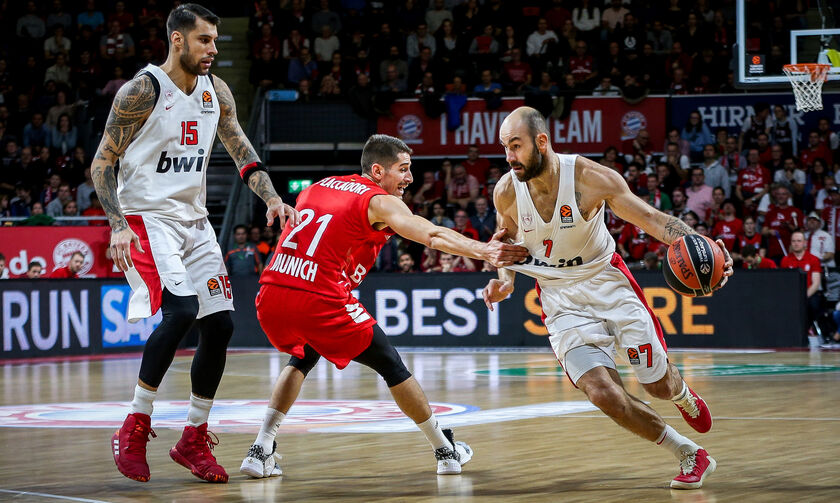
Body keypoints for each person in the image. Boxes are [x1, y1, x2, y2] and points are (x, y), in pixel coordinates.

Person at [91, 4, 299, 484]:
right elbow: (103, 163)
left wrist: (271, 198)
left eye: (216, 41)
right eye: (204, 40)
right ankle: (135, 423)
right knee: (181, 312)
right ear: (178, 40)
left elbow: (241, 148)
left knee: (221, 324)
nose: (213, 50)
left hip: (194, 219)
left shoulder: (216, 90)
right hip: (148, 218)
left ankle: (193, 436)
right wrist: (117, 223)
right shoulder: (141, 91)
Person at [240, 134, 528, 479]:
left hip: (271, 292)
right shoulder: (378, 201)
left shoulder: (316, 187)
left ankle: (260, 449)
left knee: (303, 356)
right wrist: (485, 251)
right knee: (391, 365)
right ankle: (445, 451)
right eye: (403, 169)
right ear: (377, 171)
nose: (409, 178)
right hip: (318, 296)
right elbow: (432, 235)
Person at [483, 107, 732, 490]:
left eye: (516, 146)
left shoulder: (589, 178)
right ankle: (688, 452)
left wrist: (701, 246)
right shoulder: (506, 192)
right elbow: (508, 246)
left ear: (542, 142)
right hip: (559, 298)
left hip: (608, 284)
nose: (509, 157)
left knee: (657, 387)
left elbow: (652, 219)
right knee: (603, 393)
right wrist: (504, 281)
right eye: (505, 147)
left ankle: (681, 393)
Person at [780, 231, 823, 344]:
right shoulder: (785, 260)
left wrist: (803, 297)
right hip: (790, 296)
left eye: (799, 241)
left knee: (814, 304)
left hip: (808, 294)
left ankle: (806, 330)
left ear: (805, 243)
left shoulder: (813, 259)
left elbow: (816, 283)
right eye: (793, 241)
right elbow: (783, 283)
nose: (796, 243)